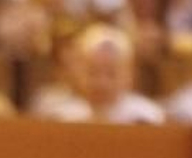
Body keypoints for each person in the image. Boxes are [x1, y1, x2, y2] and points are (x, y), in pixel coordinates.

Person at [31, 22, 163, 123]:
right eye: (93, 72)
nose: (102, 83)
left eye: (111, 74)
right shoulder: (61, 117)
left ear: (129, 75)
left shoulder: (146, 118)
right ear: (78, 72)